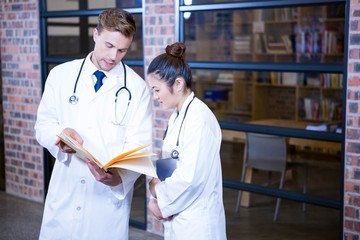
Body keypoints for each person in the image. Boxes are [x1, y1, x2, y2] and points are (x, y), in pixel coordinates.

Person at [34, 8, 152, 240]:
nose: (113, 57)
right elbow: (43, 125)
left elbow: (140, 146)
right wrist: (60, 135)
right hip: (65, 193)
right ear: (95, 34)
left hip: (106, 204)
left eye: (122, 50)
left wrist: (120, 177)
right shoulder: (61, 75)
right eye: (109, 46)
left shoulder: (137, 89)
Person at [146, 42, 227, 240]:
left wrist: (158, 193)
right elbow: (173, 159)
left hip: (198, 223)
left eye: (157, 90)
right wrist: (155, 188)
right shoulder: (177, 115)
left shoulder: (199, 118)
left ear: (178, 84)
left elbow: (190, 179)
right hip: (180, 218)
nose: (155, 97)